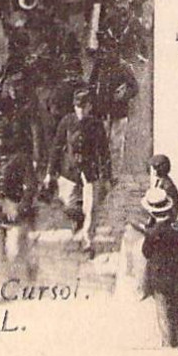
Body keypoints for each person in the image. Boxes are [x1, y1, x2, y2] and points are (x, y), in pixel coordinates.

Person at [0, 118, 37, 302]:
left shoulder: (21, 159)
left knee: (14, 252)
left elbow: (31, 187)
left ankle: (21, 282)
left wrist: (20, 207)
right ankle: (0, 290)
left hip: (15, 213)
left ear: (8, 140)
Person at [47, 88, 111, 255]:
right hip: (69, 170)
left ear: (90, 107)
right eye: (77, 107)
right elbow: (56, 147)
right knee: (68, 204)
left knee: (90, 208)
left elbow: (104, 152)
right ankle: (78, 218)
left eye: (83, 107)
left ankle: (87, 241)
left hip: (90, 170)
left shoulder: (96, 124)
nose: (80, 110)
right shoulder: (66, 122)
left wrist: (107, 176)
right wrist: (50, 172)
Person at [140, 186, 178, 347]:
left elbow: (146, 252)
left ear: (151, 212)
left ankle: (169, 343)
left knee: (164, 311)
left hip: (160, 278)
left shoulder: (152, 232)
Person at [146, 154, 178, 220]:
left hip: (166, 217)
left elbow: (169, 207)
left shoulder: (167, 185)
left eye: (154, 168)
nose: (152, 171)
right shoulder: (161, 180)